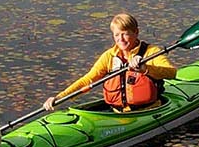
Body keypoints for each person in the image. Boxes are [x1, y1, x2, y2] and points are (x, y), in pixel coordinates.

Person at [42, 13, 178, 113]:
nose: (121, 39)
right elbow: (87, 80)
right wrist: (60, 98)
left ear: (136, 32)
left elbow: (172, 73)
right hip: (117, 113)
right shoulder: (109, 56)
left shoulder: (151, 52)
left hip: (149, 110)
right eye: (117, 35)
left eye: (125, 34)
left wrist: (145, 68)